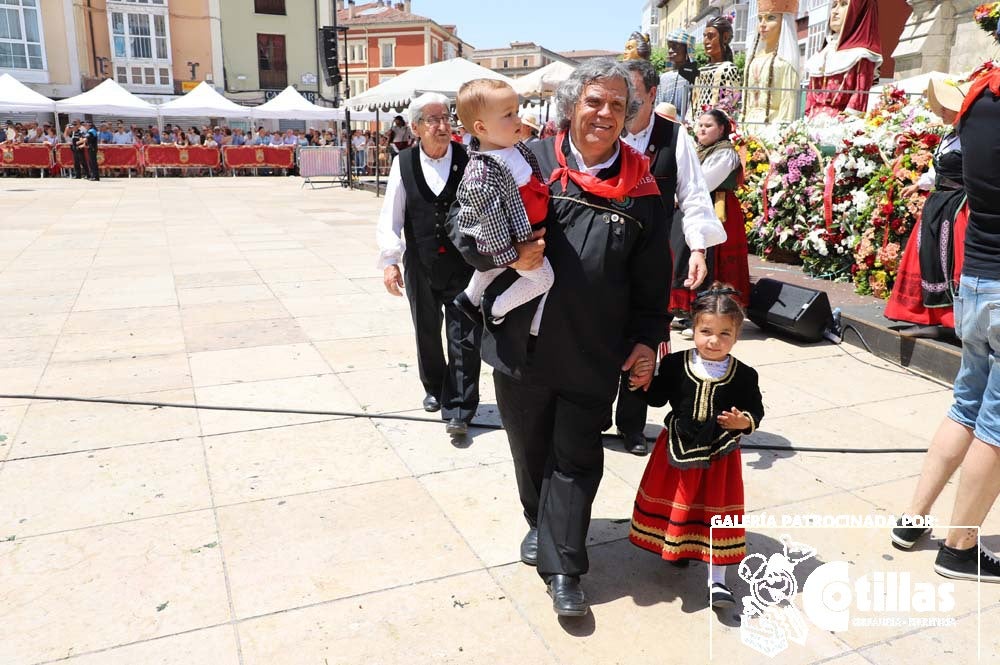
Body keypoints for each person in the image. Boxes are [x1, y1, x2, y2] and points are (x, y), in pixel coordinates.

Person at [449, 58, 673, 616]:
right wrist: (499, 253)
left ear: (630, 116)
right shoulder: (526, 159)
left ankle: (565, 569)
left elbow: (652, 278)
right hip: (521, 345)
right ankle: (536, 521)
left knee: (576, 459)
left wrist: (647, 338)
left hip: (593, 353)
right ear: (571, 106)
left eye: (618, 106)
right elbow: (464, 225)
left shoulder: (643, 186)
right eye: (594, 101)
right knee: (530, 451)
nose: (604, 114)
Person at [891, 57, 1000, 583]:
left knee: (966, 405)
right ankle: (959, 548)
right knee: (996, 426)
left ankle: (913, 519)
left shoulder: (979, 101)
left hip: (977, 279)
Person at [629, 283, 764, 608]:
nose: (714, 340)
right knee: (682, 506)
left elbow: (756, 410)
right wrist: (641, 382)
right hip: (676, 450)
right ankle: (678, 547)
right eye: (706, 331)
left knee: (716, 514)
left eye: (724, 334)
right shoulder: (676, 364)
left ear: (737, 335)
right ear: (692, 328)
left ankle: (717, 582)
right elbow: (658, 396)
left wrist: (743, 422)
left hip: (720, 456)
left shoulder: (744, 375)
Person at [617, 58, 726, 456]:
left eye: (632, 93)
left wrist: (698, 248)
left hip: (651, 256)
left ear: (652, 94)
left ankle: (631, 424)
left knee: (642, 338)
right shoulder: (604, 127)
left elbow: (695, 195)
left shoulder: (674, 137)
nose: (624, 102)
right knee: (597, 334)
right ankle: (590, 415)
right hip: (604, 254)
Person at [375, 92, 482, 437]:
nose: (442, 125)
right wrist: (390, 260)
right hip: (420, 262)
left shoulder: (469, 159)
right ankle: (435, 388)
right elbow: (390, 215)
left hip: (463, 264)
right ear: (417, 127)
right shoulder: (403, 162)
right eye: (433, 120)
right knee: (426, 329)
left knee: (464, 335)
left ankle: (461, 408)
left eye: (446, 118)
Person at [452, 79, 554, 329]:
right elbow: (492, 223)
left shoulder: (512, 147)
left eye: (516, 112)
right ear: (481, 127)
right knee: (544, 280)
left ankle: (470, 298)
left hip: (523, 230)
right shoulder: (482, 173)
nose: (518, 120)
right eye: (509, 115)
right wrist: (512, 257)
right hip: (511, 240)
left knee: (491, 269)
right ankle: (495, 308)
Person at [885, 79, 969, 338]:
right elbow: (937, 170)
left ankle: (954, 321)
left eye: (946, 107)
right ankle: (927, 319)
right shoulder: (948, 137)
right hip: (937, 203)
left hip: (958, 206)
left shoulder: (969, 135)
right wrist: (918, 184)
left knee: (950, 261)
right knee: (926, 256)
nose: (940, 111)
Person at [670, 110, 750, 322]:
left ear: (721, 129)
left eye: (708, 126)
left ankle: (710, 313)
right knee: (686, 256)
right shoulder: (698, 150)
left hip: (717, 210)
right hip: (693, 206)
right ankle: (687, 309)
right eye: (700, 125)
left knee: (713, 260)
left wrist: (679, 195)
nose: (702, 129)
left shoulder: (725, 153)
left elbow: (703, 183)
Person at [804, 0, 883, 119]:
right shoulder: (820, 55)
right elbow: (809, 103)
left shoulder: (861, 55)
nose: (835, 12)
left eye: (843, 4)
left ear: (858, 13)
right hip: (812, 124)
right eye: (834, 5)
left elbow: (857, 103)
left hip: (840, 127)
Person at [743, 0, 802, 126]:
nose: (762, 24)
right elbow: (746, 99)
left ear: (784, 22)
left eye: (770, 18)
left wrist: (779, 133)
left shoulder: (785, 61)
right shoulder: (753, 59)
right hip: (748, 124)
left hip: (771, 126)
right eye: (760, 19)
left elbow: (788, 103)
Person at [692, 16, 741, 117]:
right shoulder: (701, 71)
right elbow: (694, 102)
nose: (705, 41)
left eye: (710, 36)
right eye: (704, 36)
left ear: (725, 38)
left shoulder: (728, 69)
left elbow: (732, 100)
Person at [658, 28, 699, 122]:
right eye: (669, 47)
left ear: (687, 49)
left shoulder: (693, 75)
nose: (670, 50)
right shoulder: (663, 78)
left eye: (675, 46)